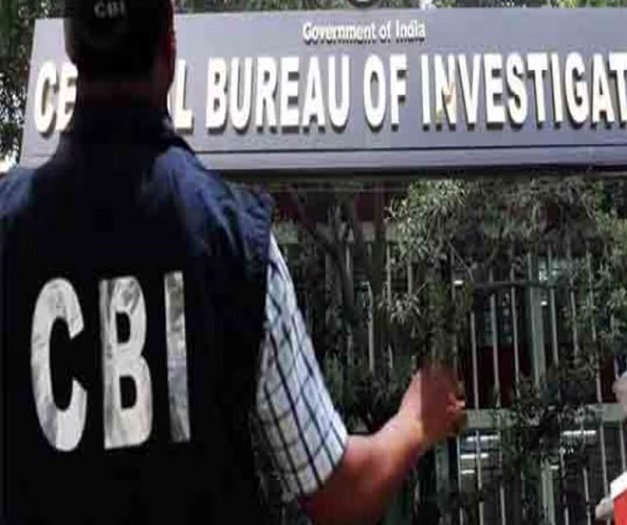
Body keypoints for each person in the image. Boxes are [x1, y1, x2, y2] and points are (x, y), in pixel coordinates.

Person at [0, 1, 465, 523]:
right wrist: (414, 421)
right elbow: (340, 493)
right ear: (170, 42)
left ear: (71, 48)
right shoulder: (238, 240)